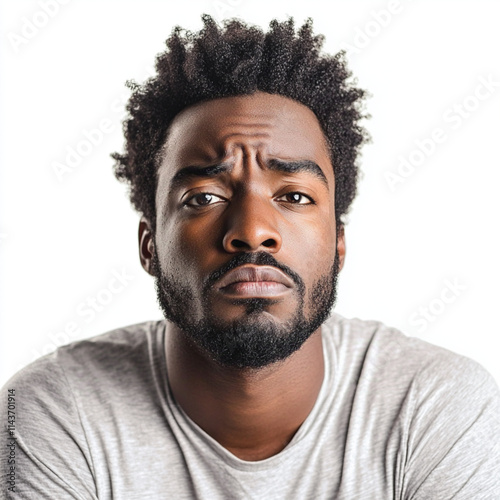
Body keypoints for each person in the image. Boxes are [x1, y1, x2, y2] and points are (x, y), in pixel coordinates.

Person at [2, 15, 499, 499]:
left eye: (295, 196)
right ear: (149, 245)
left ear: (339, 244)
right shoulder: (52, 410)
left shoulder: (438, 406)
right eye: (203, 197)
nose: (253, 231)